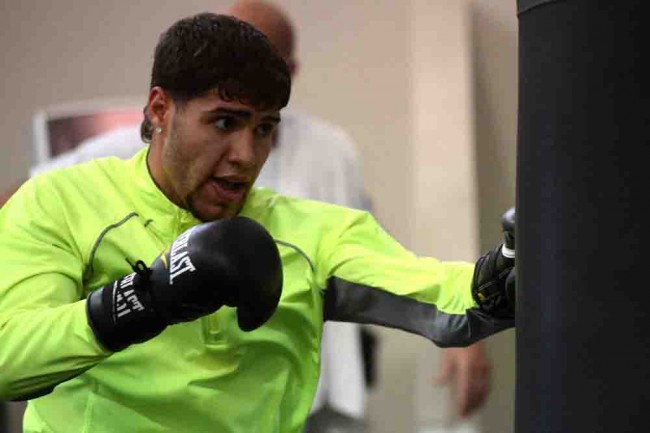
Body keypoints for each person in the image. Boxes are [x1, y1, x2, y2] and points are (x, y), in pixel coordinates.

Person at [0, 13, 515, 433]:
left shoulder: (310, 233)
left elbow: (443, 296)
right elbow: (9, 357)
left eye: (265, 129)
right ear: (161, 109)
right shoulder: (63, 202)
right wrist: (144, 299)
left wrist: (501, 279)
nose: (246, 155)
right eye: (224, 122)